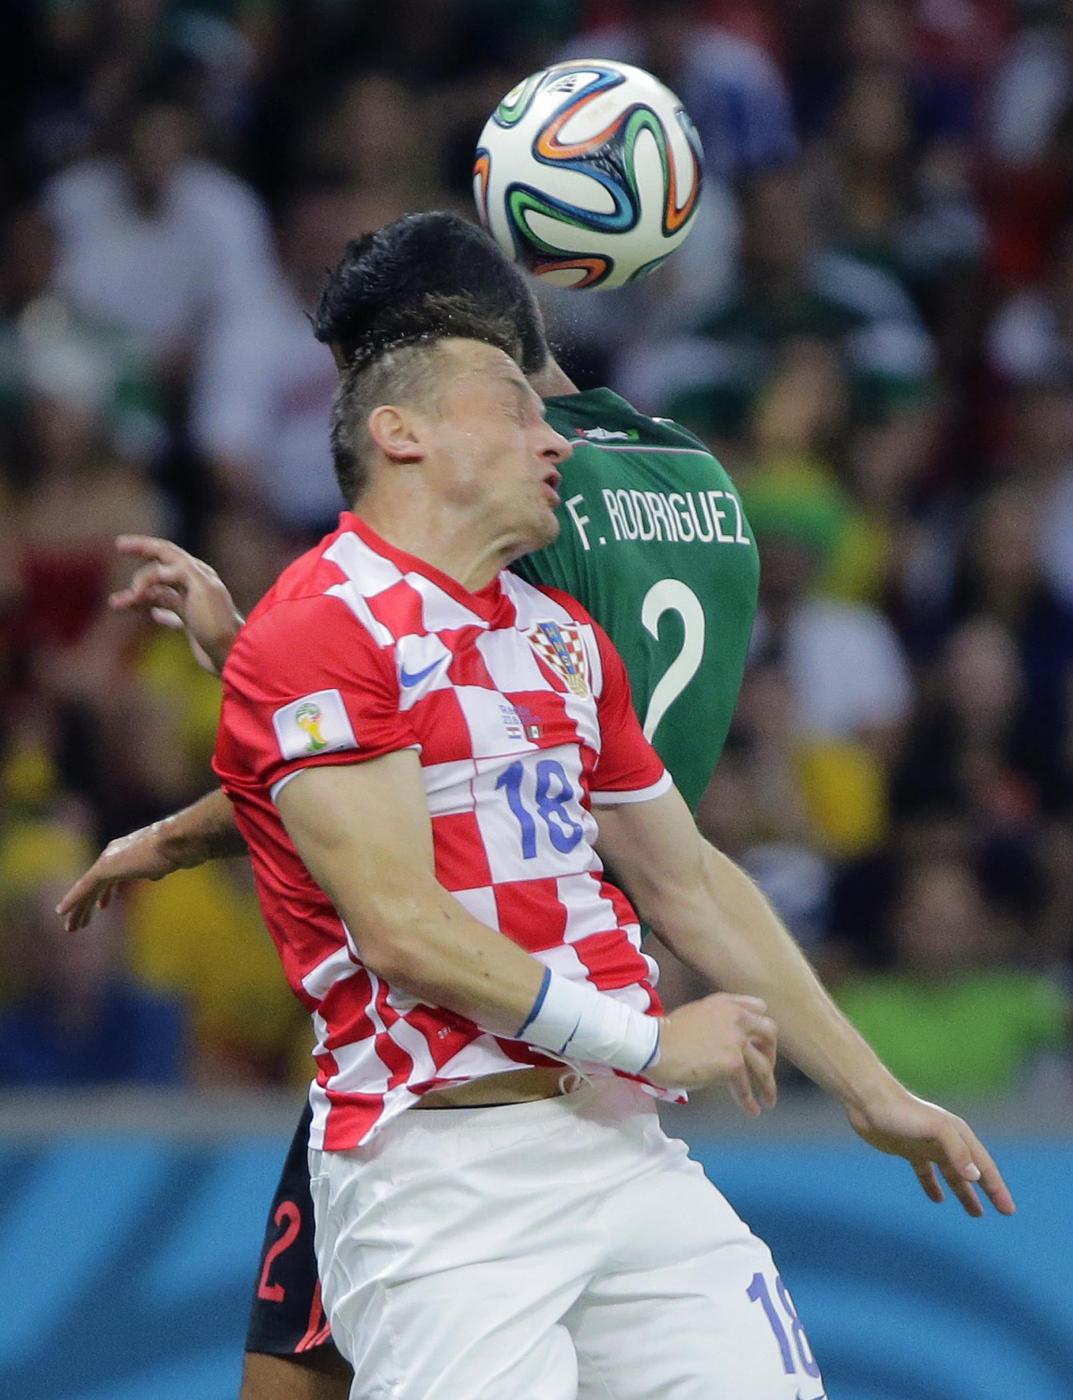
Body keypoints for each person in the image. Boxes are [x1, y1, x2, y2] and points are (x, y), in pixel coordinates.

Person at [61, 216, 1012, 1399]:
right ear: (398, 430)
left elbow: (687, 876)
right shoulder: (323, 622)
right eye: (514, 410)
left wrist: (875, 1091)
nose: (553, 433)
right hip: (443, 1168)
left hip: (620, 1142)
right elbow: (400, 923)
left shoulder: (554, 633)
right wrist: (654, 1039)